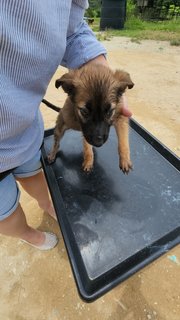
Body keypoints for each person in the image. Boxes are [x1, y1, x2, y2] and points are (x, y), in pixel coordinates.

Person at [0, 0, 132, 250]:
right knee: (4, 211)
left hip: (26, 128)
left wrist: (97, 63)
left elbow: (71, 28)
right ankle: (29, 234)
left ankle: (47, 204)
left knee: (33, 174)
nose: (100, 133)